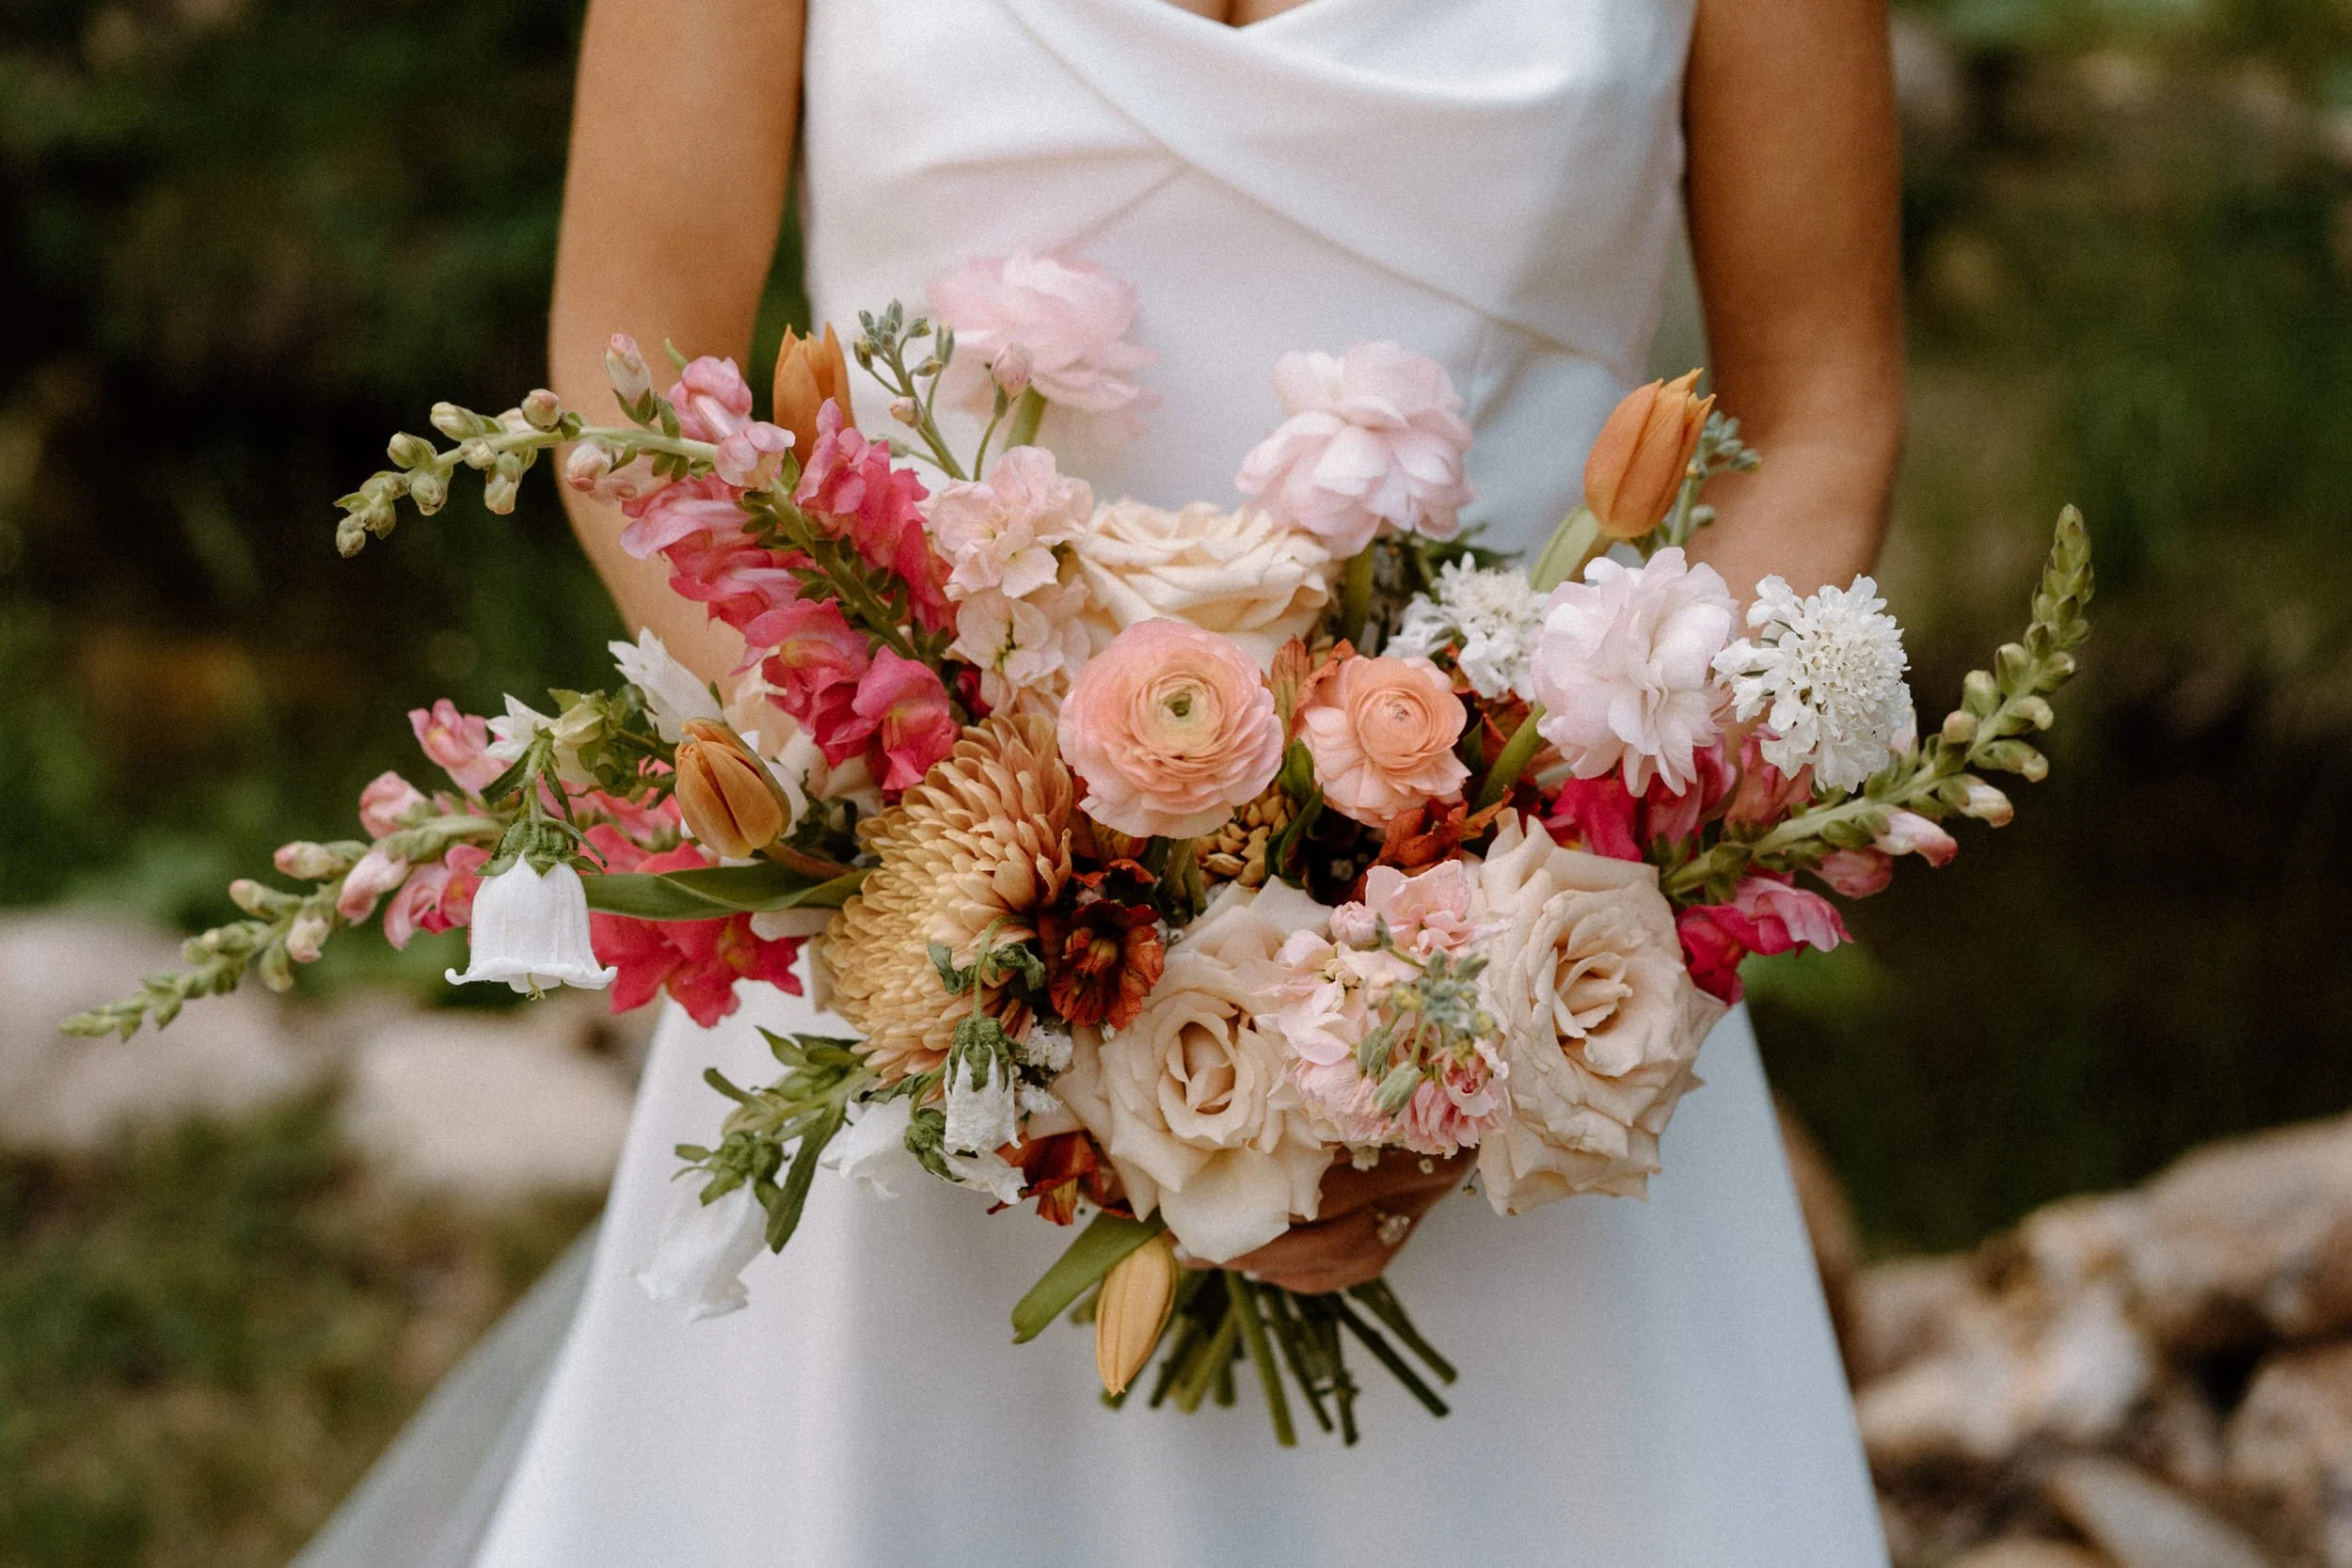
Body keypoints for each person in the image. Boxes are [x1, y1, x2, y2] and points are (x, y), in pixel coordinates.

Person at [355, 1, 1905, 1562]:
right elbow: (633, 372)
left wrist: (1479, 988)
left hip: (1526, 1003)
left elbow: (1825, 411)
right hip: (920, 979)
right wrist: (970, 921)